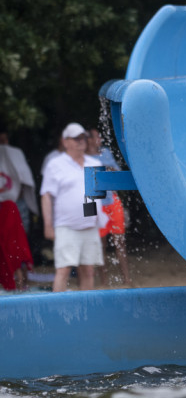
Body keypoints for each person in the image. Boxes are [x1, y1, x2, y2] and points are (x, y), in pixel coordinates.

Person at [40, 123, 104, 292]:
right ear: (65, 141)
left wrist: (101, 220)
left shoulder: (94, 163)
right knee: (63, 269)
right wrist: (48, 225)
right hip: (66, 225)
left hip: (90, 225)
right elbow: (46, 195)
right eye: (76, 138)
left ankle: (87, 312)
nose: (80, 141)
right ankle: (56, 312)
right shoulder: (55, 164)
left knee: (89, 271)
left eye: (83, 137)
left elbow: (101, 195)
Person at [87, 128, 132, 286]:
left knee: (120, 242)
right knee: (100, 244)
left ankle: (127, 280)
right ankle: (104, 282)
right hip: (95, 203)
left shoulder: (105, 152)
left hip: (112, 200)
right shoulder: (84, 158)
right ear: (89, 140)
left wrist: (105, 169)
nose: (99, 139)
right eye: (95, 136)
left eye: (100, 136)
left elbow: (117, 174)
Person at [0, 129, 39, 237]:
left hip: (17, 201)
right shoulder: (58, 163)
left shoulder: (88, 163)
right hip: (71, 225)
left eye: (4, 141)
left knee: (19, 235)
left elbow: (25, 178)